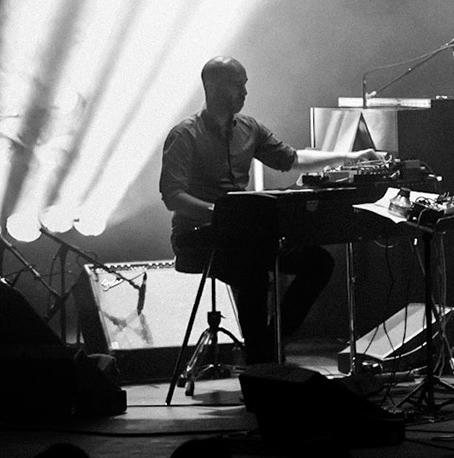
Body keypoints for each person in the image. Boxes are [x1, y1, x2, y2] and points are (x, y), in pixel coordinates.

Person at [160, 56, 384, 363]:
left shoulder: (249, 129)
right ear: (211, 87)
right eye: (237, 85)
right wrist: (221, 216)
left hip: (244, 235)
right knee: (251, 270)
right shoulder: (184, 134)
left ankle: (269, 344)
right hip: (198, 236)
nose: (244, 92)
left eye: (245, 85)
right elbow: (173, 196)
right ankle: (261, 361)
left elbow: (291, 159)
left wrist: (350, 157)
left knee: (318, 262)